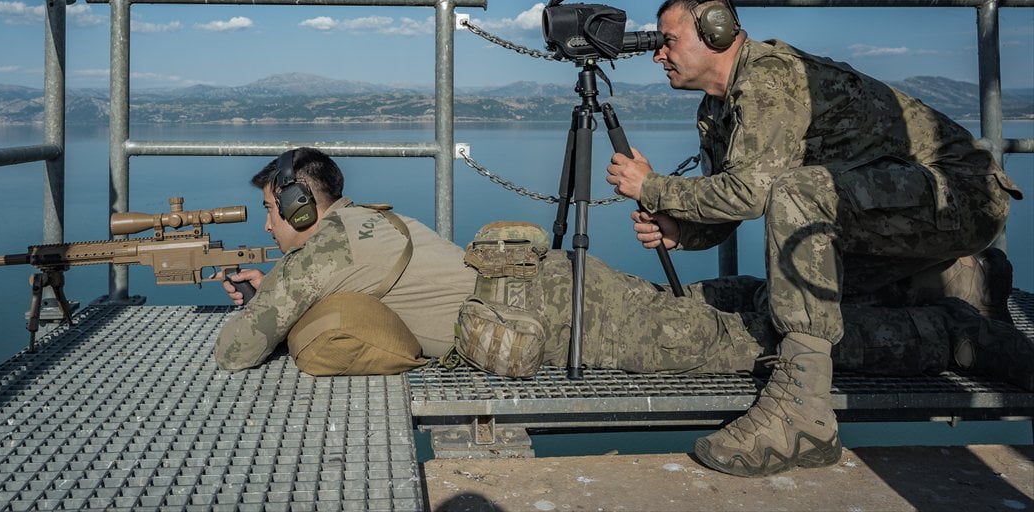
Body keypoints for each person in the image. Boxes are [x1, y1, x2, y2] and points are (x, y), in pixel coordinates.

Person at [213, 149, 1030, 413]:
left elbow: (237, 351)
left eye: (273, 213)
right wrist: (275, 276)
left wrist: (265, 301)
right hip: (560, 287)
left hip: (576, 322)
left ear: (299, 203)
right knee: (735, 301)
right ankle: (942, 282)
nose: (269, 226)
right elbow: (332, 272)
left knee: (756, 342)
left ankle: (963, 337)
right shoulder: (363, 221)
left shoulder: (324, 250)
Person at [605, 0, 1026, 478]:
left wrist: (652, 187)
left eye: (668, 41)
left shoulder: (768, 78)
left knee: (800, 194)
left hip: (962, 195)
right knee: (789, 297)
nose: (657, 55)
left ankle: (802, 412)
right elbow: (729, 208)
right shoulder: (716, 110)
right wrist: (682, 230)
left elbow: (752, 194)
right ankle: (956, 281)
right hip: (906, 213)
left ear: (716, 32)